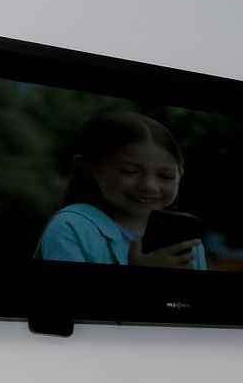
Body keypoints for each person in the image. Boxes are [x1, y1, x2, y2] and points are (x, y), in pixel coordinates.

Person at [34, 109, 205, 269]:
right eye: (129, 171)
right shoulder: (71, 227)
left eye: (166, 176)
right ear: (88, 170)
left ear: (180, 175)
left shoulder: (187, 241)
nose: (149, 186)